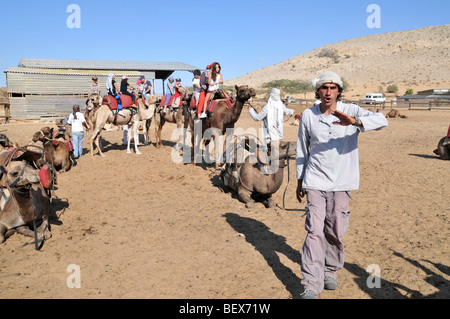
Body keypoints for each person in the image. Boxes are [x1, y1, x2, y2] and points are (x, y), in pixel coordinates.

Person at [295, 71, 388, 299]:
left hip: (342, 181)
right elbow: (301, 150)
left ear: (339, 91)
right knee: (314, 232)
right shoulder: (308, 115)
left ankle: (330, 270)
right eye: (324, 88)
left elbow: (383, 120)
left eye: (333, 87)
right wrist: (300, 180)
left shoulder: (352, 110)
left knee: (335, 231)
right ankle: (311, 283)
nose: (328, 92)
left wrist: (355, 122)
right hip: (315, 180)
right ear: (318, 91)